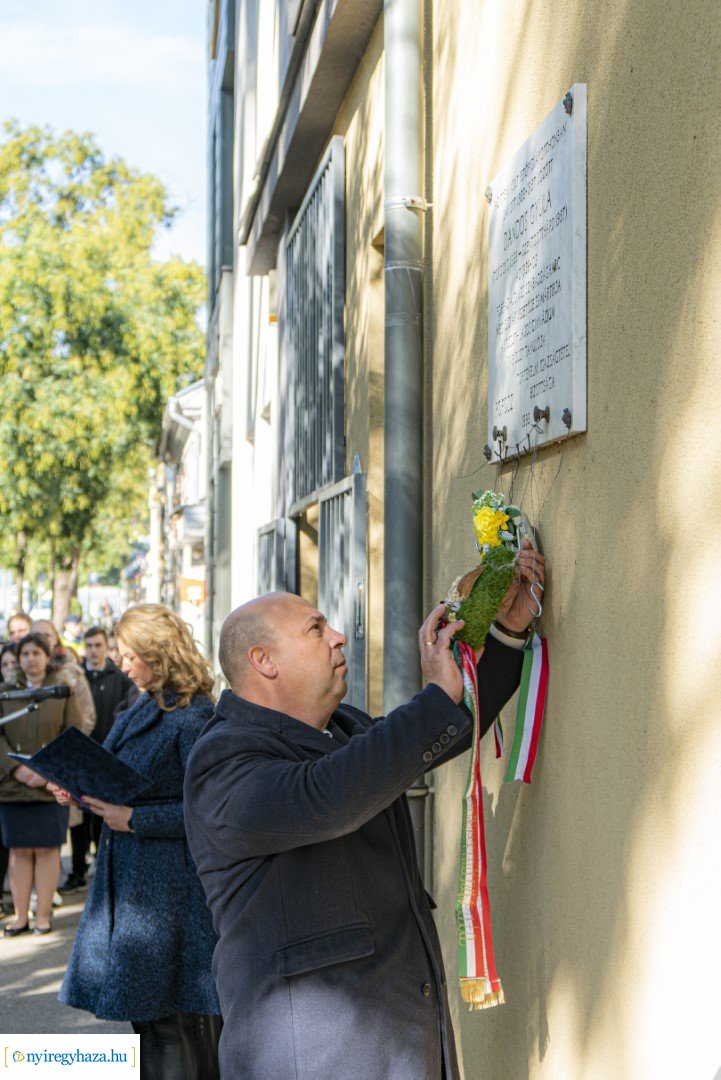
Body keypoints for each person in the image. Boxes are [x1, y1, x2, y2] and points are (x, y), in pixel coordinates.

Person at [183, 542, 546, 1079]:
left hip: (395, 1040)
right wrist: (431, 702)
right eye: (315, 628)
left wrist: (508, 634)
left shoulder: (341, 727)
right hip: (313, 1056)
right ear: (263, 660)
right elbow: (328, 797)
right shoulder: (221, 760)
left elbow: (438, 733)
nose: (337, 636)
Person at [56, 603, 222, 1080]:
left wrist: (137, 819)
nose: (122, 665)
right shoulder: (144, 705)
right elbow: (117, 784)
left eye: (130, 656)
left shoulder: (193, 717)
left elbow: (208, 813)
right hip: (136, 886)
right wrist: (74, 786)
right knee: (149, 1022)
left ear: (158, 653)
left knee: (172, 1023)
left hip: (172, 895)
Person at [0, 633, 84, 935]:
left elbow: (72, 733)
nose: (30, 659)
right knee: (20, 851)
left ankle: (43, 917)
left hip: (50, 784)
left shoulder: (62, 691)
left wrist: (47, 772)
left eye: (36, 653)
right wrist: (16, 770)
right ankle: (21, 917)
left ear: (48, 657)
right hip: (13, 785)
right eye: (25, 654)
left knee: (48, 850)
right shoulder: (5, 692)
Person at [59, 626, 136, 895]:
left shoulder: (120, 677)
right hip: (83, 754)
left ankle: (101, 865)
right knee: (79, 816)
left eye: (98, 645)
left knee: (104, 817)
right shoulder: (77, 676)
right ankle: (78, 869)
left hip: (110, 754)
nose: (93, 651)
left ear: (106, 647)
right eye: (88, 645)